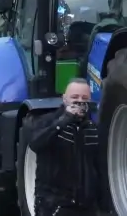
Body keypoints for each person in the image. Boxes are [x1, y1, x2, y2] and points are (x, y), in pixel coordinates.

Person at [29, 78, 103, 216]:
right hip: (55, 205)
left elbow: (99, 166)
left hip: (86, 207)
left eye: (84, 98)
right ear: (64, 99)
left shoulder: (93, 129)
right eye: (74, 97)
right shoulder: (47, 121)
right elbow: (35, 143)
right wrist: (64, 120)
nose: (80, 102)